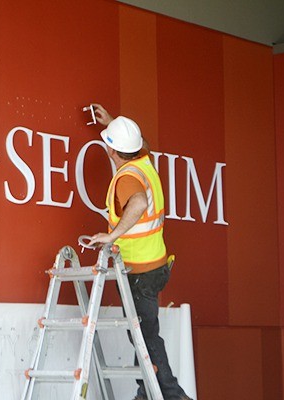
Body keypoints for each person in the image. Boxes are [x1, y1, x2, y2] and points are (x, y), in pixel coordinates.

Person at [88, 104, 192, 400]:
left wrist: (112, 235)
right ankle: (145, 393)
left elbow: (137, 203)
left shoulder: (127, 178)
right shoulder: (144, 161)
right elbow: (141, 144)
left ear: (112, 151)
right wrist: (112, 123)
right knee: (143, 329)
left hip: (139, 272)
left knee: (144, 336)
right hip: (156, 265)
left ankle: (173, 395)